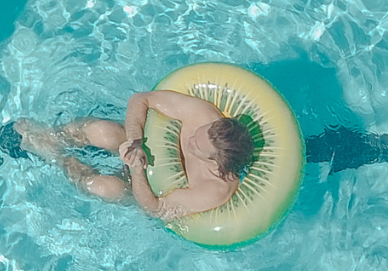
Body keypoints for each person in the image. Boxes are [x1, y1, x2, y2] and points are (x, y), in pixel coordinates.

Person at [15, 90, 257, 220]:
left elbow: (155, 209)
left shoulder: (213, 189)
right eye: (196, 134)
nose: (191, 138)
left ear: (215, 163)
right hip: (145, 143)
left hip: (146, 185)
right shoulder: (202, 116)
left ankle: (58, 159)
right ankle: (50, 137)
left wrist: (137, 169)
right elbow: (141, 99)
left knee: (105, 188)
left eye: (196, 145)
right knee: (102, 132)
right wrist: (134, 140)